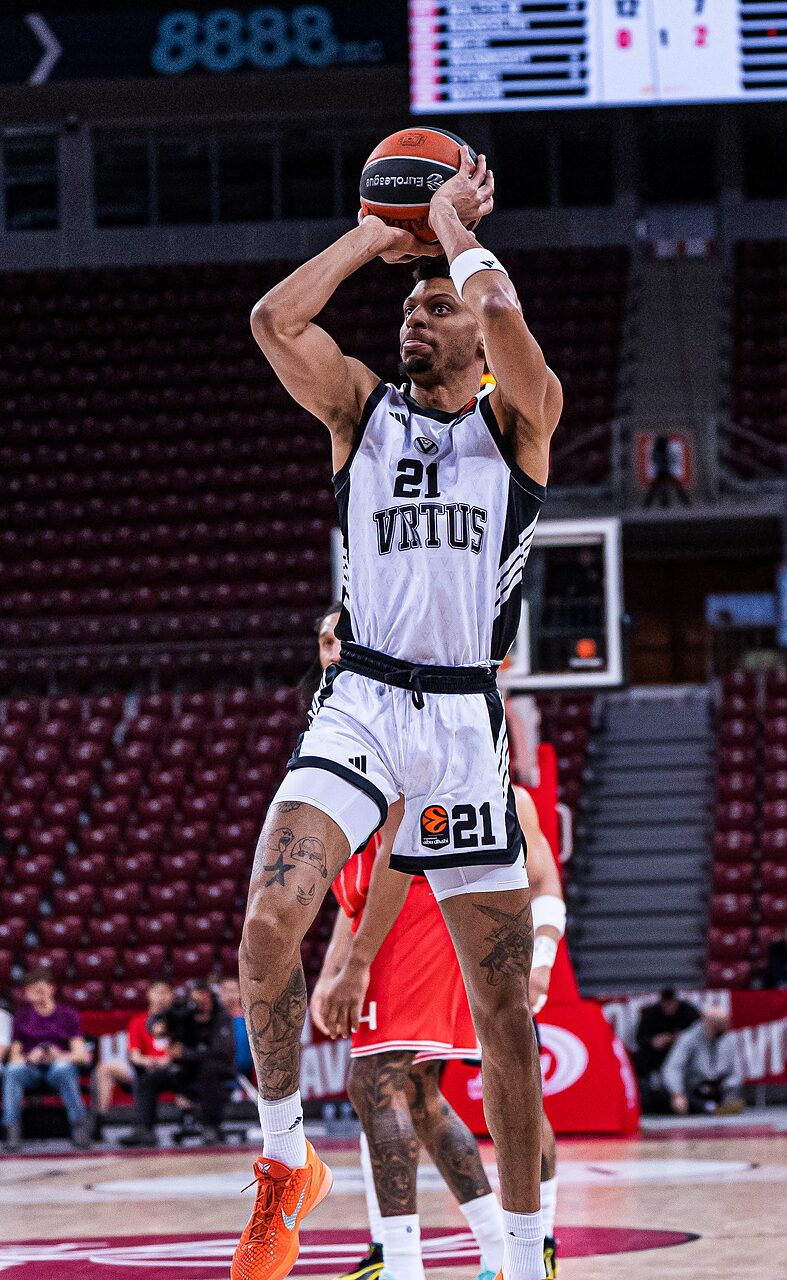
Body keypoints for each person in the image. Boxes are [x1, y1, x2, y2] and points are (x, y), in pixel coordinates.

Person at [237, 147, 561, 1280]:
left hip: (468, 716)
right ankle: (286, 1165)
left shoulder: (521, 421)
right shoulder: (360, 411)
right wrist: (384, 232)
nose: (415, 317)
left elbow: (508, 317)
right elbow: (276, 318)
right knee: (273, 919)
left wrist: (456, 240)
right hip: (365, 693)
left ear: (474, 332)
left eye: (435, 306)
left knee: (505, 1024)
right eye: (409, 308)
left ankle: (522, 1259)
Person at [308, 605, 564, 1280]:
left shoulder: (383, 704)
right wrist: (337, 965)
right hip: (385, 912)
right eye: (325, 640)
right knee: (419, 1094)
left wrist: (357, 962)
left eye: (342, 637)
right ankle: (492, 1249)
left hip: (417, 905)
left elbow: (397, 846)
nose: (333, 649)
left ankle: (407, 1262)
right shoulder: (339, 716)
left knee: (377, 1083)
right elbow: (353, 883)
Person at [121, 981, 236, 1146]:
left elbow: (221, 1052)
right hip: (185, 1070)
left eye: (204, 1000)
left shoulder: (221, 1016)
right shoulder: (185, 1012)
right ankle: (144, 1130)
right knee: (149, 1079)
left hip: (216, 1070)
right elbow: (156, 1020)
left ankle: (211, 1127)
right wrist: (157, 1027)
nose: (200, 1005)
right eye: (196, 1001)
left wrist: (185, 1053)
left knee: (208, 1070)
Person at [3, 968, 91, 1151]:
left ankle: (79, 1125)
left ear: (52, 989)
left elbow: (80, 1055)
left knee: (64, 1068)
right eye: (32, 991)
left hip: (57, 1067)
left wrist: (57, 1055)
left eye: (40, 990)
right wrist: (30, 1057)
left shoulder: (67, 1014)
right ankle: (11, 1129)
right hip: (31, 1068)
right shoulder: (21, 1017)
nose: (37, 994)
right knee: (12, 1071)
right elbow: (14, 1057)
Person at [93, 979, 173, 1132]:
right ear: (149, 995)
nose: (161, 997)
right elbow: (134, 1056)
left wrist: (164, 1062)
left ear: (172, 995)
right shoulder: (138, 1021)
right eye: (157, 992)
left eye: (165, 992)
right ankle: (98, 1122)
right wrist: (148, 1062)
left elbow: (178, 1052)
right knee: (104, 1068)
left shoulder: (179, 1020)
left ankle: (187, 1120)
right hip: (142, 1067)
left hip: (170, 1067)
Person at [662, 1006, 742, 1115]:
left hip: (719, 1087)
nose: (725, 1028)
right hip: (695, 1088)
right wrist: (677, 1094)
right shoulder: (688, 1038)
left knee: (732, 1092)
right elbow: (673, 1068)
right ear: (710, 1024)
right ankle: (711, 1108)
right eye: (720, 1025)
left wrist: (728, 1086)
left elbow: (736, 1073)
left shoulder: (729, 1039)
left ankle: (720, 1106)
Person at [633, 989, 699, 1112]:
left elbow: (700, 1032)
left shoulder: (689, 1012)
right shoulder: (651, 1013)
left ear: (677, 1002)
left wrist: (684, 1037)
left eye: (671, 1005)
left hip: (685, 1056)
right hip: (658, 1056)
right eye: (665, 1005)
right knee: (639, 1058)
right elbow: (640, 1037)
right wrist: (652, 1042)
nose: (668, 1008)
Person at [642, 434, 690, 508]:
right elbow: (658, 460)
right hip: (664, 471)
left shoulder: (659, 450)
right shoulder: (660, 450)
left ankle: (651, 504)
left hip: (663, 471)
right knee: (672, 487)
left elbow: (655, 460)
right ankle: (684, 502)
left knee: (656, 489)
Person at [219, 976, 254, 1076]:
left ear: (240, 992)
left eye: (233, 991)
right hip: (220, 1075)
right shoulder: (215, 1019)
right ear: (220, 994)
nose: (230, 995)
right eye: (226, 991)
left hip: (245, 1075)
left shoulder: (249, 1019)